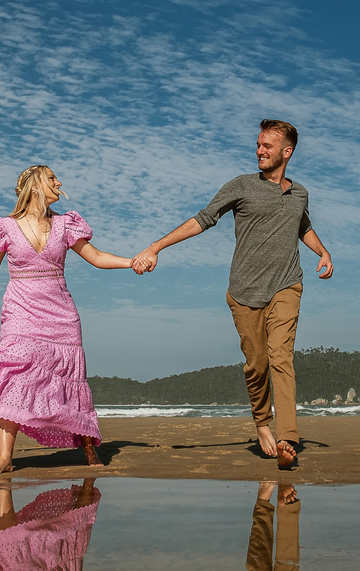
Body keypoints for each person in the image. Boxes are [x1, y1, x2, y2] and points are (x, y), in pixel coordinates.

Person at [131, 119, 332, 469]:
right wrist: (157, 246)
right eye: (258, 144)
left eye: (267, 146)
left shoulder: (299, 193)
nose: (259, 150)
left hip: (287, 284)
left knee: (281, 358)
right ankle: (262, 424)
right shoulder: (241, 186)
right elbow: (203, 219)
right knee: (257, 365)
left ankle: (288, 438)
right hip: (244, 292)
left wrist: (324, 252)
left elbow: (304, 227)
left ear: (287, 152)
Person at [0, 165, 134, 475]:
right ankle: (5, 457)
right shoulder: (5, 226)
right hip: (21, 312)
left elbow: (97, 258)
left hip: (61, 315)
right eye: (52, 178)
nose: (59, 182)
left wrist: (131, 262)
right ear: (34, 186)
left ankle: (88, 446)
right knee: (12, 373)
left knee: (71, 380)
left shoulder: (65, 225)